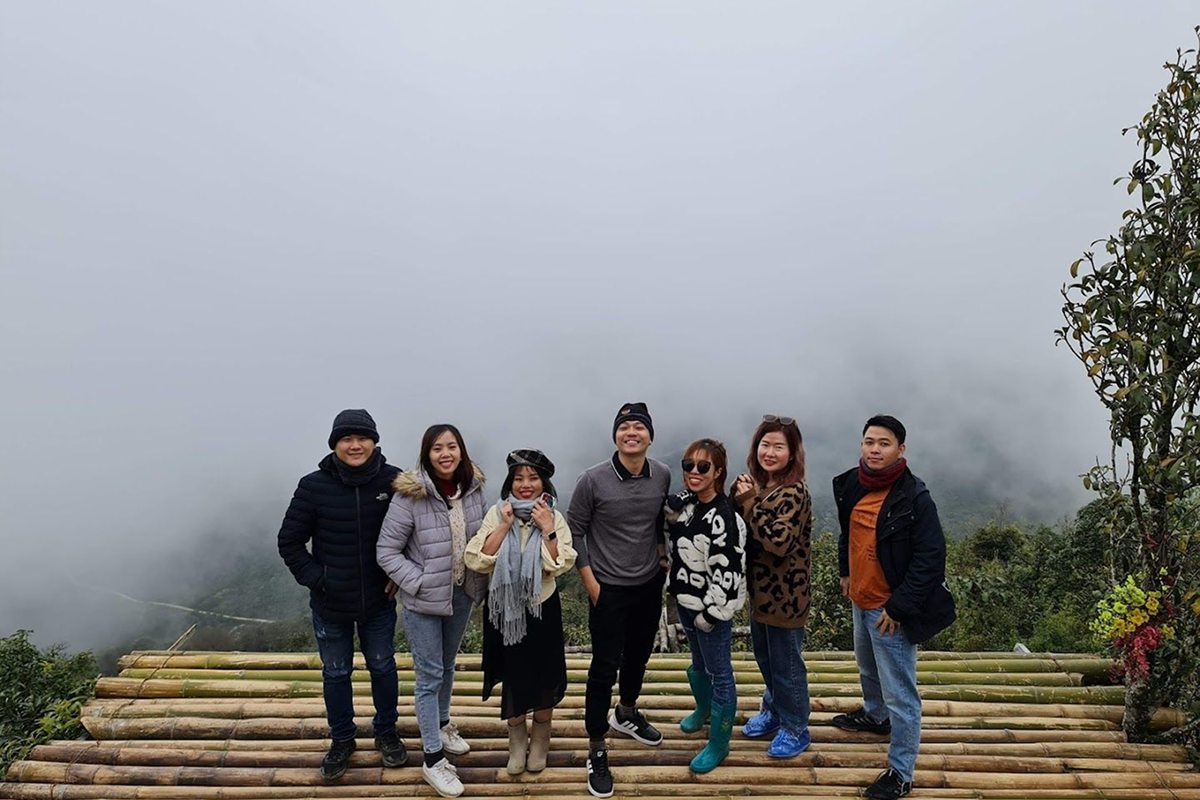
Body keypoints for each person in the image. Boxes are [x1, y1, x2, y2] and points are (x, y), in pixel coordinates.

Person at [831, 415, 957, 800]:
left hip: (890, 610)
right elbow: (847, 530)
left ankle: (901, 773)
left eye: (883, 443)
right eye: (868, 441)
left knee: (901, 694)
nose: (874, 449)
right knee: (867, 666)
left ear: (901, 450)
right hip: (861, 598)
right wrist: (845, 570)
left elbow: (930, 558)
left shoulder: (914, 497)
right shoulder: (853, 482)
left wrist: (899, 608)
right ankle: (875, 715)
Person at [277, 409, 406, 780]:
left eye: (362, 437)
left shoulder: (395, 481)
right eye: (346, 439)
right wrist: (319, 579)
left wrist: (399, 573)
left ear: (374, 441)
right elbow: (289, 541)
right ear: (334, 444)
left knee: (383, 667)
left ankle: (386, 733)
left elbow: (414, 532)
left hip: (379, 600)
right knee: (336, 673)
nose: (355, 445)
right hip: (330, 603)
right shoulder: (313, 485)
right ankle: (342, 739)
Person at [377, 424, 489, 799]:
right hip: (424, 600)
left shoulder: (472, 490)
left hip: (461, 593)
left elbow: (483, 537)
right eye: (437, 448)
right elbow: (386, 551)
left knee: (448, 663)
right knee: (428, 676)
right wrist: (418, 581)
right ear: (426, 454)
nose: (446, 454)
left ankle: (441, 724)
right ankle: (432, 758)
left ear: (462, 451)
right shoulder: (410, 496)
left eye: (452, 446)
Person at [568, 401, 671, 799]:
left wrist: (661, 557)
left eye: (639, 427)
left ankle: (626, 712)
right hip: (607, 588)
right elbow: (575, 531)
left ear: (649, 436)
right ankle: (596, 746)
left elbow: (661, 521)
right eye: (625, 427)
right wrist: (590, 582)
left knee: (639, 656)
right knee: (603, 667)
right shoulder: (592, 480)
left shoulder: (661, 473)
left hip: (648, 584)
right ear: (615, 435)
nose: (632, 433)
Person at [465, 449, 577, 775]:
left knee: (544, 677)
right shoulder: (496, 512)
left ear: (544, 483)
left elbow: (558, 563)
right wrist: (503, 526)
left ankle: (540, 739)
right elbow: (477, 557)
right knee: (513, 677)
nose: (525, 485)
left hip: (542, 609)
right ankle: (516, 740)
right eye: (519, 478)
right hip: (505, 612)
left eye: (533, 478)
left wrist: (547, 529)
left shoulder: (553, 516)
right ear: (509, 482)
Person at [731, 415, 814, 759]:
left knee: (787, 665)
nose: (770, 452)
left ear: (793, 453)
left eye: (779, 446)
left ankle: (796, 726)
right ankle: (774, 710)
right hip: (760, 595)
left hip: (787, 598)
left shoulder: (794, 492)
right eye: (765, 444)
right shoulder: (762, 486)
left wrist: (748, 501)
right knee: (767, 659)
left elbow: (778, 541)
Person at [664, 438, 746, 774]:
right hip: (685, 600)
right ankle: (703, 710)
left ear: (719, 472)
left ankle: (719, 742)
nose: (694, 472)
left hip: (710, 610)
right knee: (698, 662)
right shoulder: (690, 505)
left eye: (703, 467)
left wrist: (713, 613)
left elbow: (729, 568)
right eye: (688, 466)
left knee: (720, 672)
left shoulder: (723, 516)